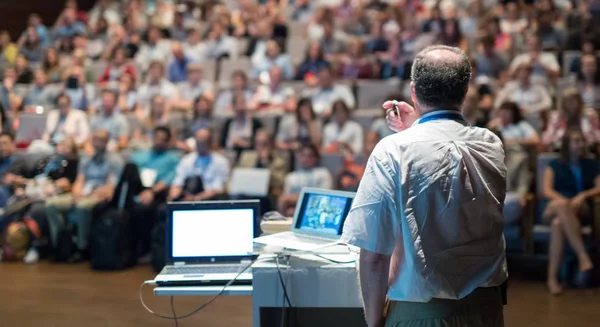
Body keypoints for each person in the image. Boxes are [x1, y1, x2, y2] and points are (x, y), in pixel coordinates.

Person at [341, 45, 507, 327]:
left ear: (414, 91)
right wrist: (416, 127)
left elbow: (374, 257)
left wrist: (373, 324)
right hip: (487, 312)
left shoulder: (393, 150)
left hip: (421, 315)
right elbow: (444, 163)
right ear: (465, 92)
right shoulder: (491, 144)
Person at [542, 128, 598, 295]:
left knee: (558, 224)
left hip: (579, 210)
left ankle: (552, 279)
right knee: (560, 206)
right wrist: (565, 201)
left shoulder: (591, 164)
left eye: (582, 141)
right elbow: (546, 190)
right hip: (553, 207)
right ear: (567, 145)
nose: (581, 145)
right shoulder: (554, 165)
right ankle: (583, 256)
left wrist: (583, 195)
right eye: (576, 141)